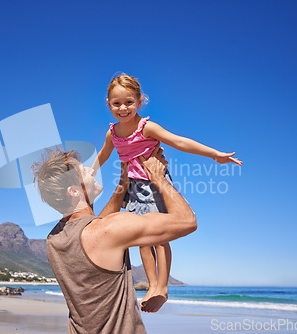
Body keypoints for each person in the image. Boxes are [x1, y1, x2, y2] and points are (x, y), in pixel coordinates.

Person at [91, 73, 243, 312]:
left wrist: (214, 154)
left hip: (155, 184)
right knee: (141, 238)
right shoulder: (112, 133)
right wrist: (91, 171)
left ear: (140, 102)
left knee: (160, 237)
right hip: (132, 188)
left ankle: (162, 285)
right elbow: (103, 154)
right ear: (108, 104)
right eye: (117, 103)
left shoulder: (146, 127)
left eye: (129, 102)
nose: (123, 108)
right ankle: (153, 285)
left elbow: (178, 141)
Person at [32, 145, 197, 333]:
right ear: (74, 191)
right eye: (82, 171)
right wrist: (158, 176)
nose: (90, 169)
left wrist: (123, 184)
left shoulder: (54, 239)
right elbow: (187, 221)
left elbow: (94, 226)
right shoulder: (108, 229)